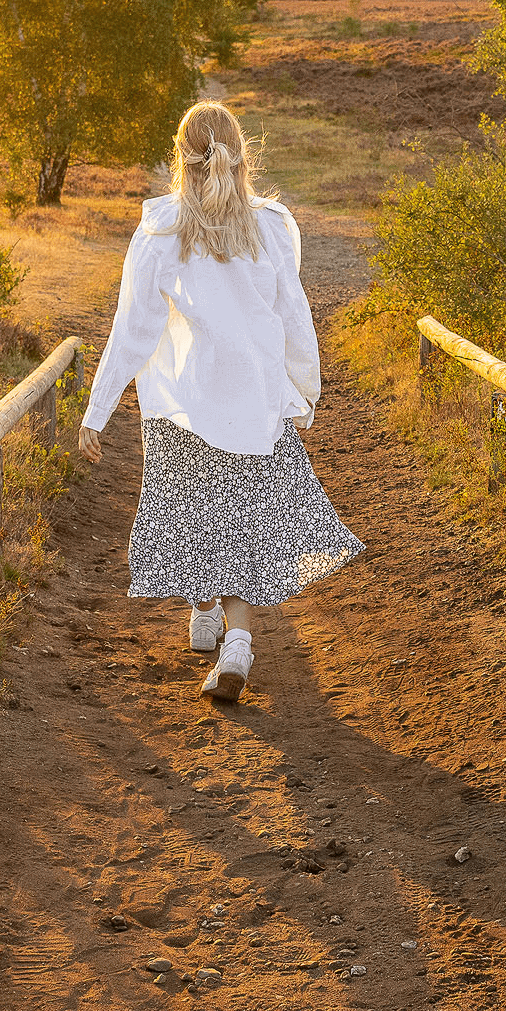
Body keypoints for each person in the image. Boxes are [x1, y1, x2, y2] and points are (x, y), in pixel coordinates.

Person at [77, 101, 362, 701]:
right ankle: (235, 641)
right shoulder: (275, 226)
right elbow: (292, 314)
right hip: (254, 401)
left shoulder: (159, 229)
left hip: (182, 402)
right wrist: (303, 392)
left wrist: (96, 411)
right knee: (243, 525)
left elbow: (133, 329)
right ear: (242, 154)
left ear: (181, 159)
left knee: (193, 515)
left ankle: (204, 610)